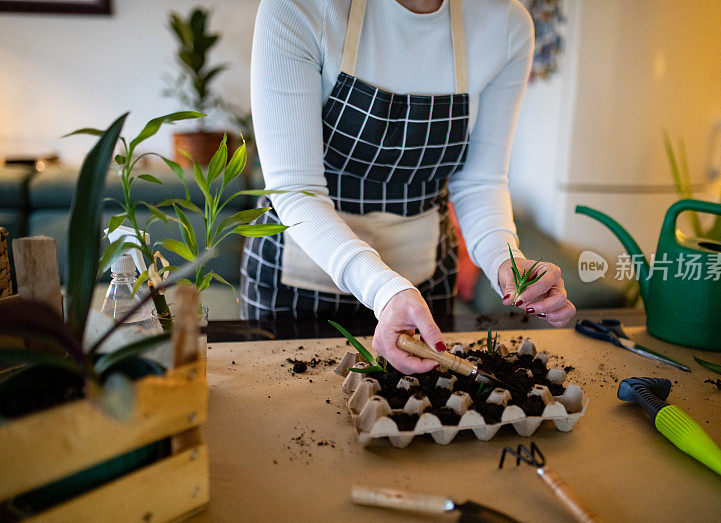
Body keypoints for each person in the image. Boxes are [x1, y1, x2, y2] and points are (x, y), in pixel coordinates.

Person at [241, 0, 576, 373]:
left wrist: (507, 262)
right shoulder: (300, 8)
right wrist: (385, 290)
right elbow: (296, 189)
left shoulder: (507, 24)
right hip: (298, 286)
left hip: (423, 290)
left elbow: (479, 181)